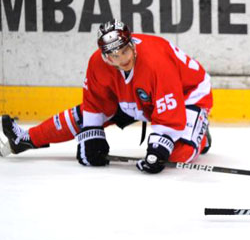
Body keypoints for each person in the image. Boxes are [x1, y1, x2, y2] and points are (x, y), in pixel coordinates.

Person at [0, 19, 213, 174]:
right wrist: (91, 136)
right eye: (113, 55)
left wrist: (159, 146)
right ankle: (26, 139)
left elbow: (169, 114)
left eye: (124, 52)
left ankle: (200, 135)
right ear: (105, 55)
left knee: (176, 155)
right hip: (139, 95)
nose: (121, 60)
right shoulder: (97, 63)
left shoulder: (157, 62)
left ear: (132, 46)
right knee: (82, 117)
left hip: (187, 94)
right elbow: (94, 104)